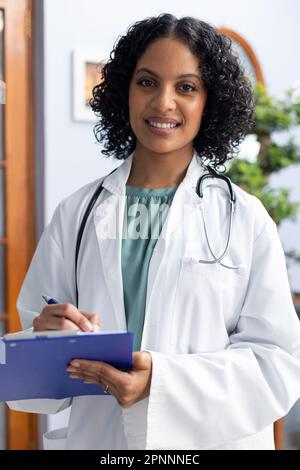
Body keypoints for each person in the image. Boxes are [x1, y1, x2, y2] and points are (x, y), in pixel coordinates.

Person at [7, 13, 300, 450]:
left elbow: (277, 364)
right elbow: (34, 373)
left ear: (209, 101)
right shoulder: (78, 214)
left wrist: (160, 384)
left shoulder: (245, 218)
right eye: (147, 82)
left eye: (186, 87)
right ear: (125, 90)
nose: (163, 102)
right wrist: (46, 338)